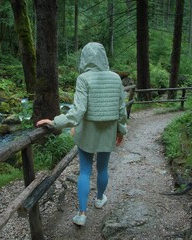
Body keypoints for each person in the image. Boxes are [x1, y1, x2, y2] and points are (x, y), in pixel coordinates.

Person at [36, 42, 127, 226]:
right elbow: (122, 111)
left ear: (84, 58)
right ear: (103, 57)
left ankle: (82, 214)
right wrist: (121, 130)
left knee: (85, 172)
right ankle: (100, 199)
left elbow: (78, 111)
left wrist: (55, 122)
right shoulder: (116, 78)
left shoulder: (83, 78)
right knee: (103, 168)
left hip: (87, 132)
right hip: (108, 131)